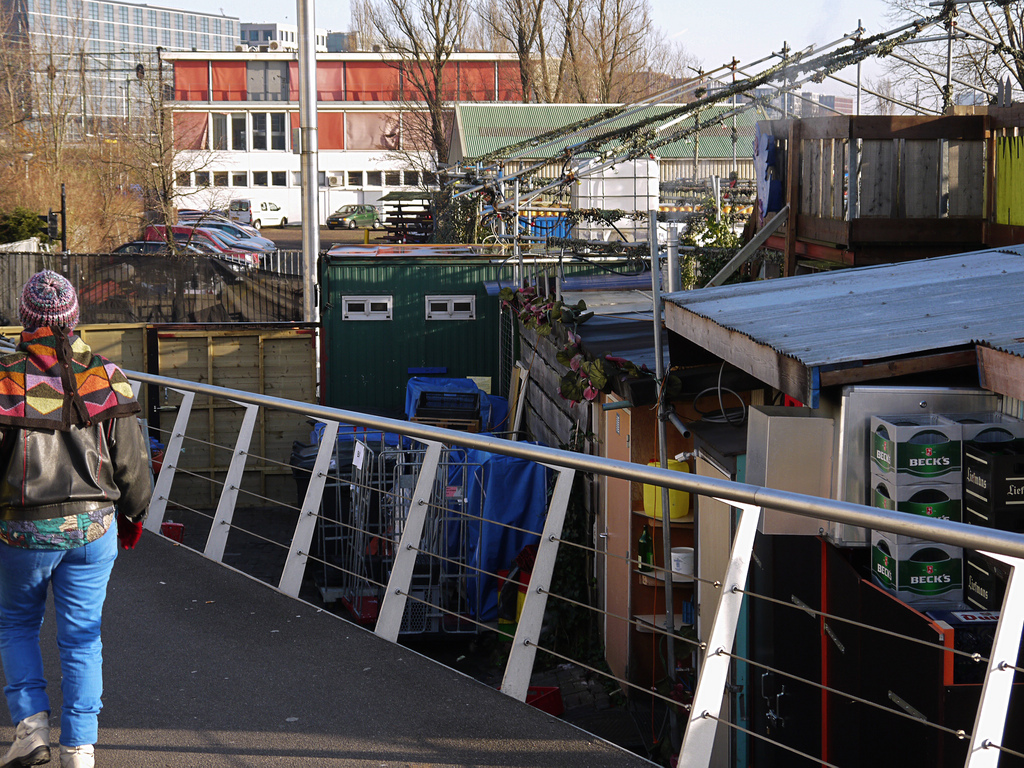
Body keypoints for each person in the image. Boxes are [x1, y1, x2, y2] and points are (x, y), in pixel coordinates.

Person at [0, 271, 152, 768]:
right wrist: (133, 515)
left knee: (18, 626)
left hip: (21, 527)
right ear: (74, 318)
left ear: (25, 319)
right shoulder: (106, 376)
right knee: (83, 635)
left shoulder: (6, 380)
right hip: (93, 527)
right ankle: (80, 749)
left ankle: (30, 730)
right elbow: (132, 464)